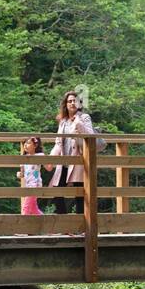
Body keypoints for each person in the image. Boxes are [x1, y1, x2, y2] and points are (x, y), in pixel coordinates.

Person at [47, 88, 96, 226]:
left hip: (78, 161)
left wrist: (78, 123)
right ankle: (65, 224)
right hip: (63, 160)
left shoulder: (85, 118)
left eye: (75, 101)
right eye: (69, 101)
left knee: (79, 194)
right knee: (57, 191)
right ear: (65, 104)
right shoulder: (63, 121)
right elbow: (58, 143)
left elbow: (91, 136)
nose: (72, 103)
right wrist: (50, 159)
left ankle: (80, 226)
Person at [19, 135, 44, 217]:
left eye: (28, 143)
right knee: (33, 209)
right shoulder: (23, 158)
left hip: (35, 185)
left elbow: (48, 165)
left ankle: (23, 228)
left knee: (26, 208)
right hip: (28, 185)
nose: (25, 145)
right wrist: (19, 174)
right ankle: (48, 226)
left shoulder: (39, 156)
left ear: (35, 145)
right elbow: (22, 173)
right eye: (25, 143)